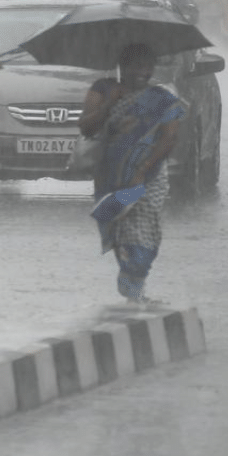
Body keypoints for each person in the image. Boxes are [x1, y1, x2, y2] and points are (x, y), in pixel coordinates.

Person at [77, 43, 186, 303]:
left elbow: (169, 139)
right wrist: (108, 105)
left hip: (148, 178)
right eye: (137, 66)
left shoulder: (162, 98)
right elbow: (86, 128)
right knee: (120, 229)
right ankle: (134, 292)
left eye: (148, 66)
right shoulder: (102, 90)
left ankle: (134, 282)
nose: (143, 72)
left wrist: (142, 171)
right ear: (122, 67)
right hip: (111, 176)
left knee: (145, 230)